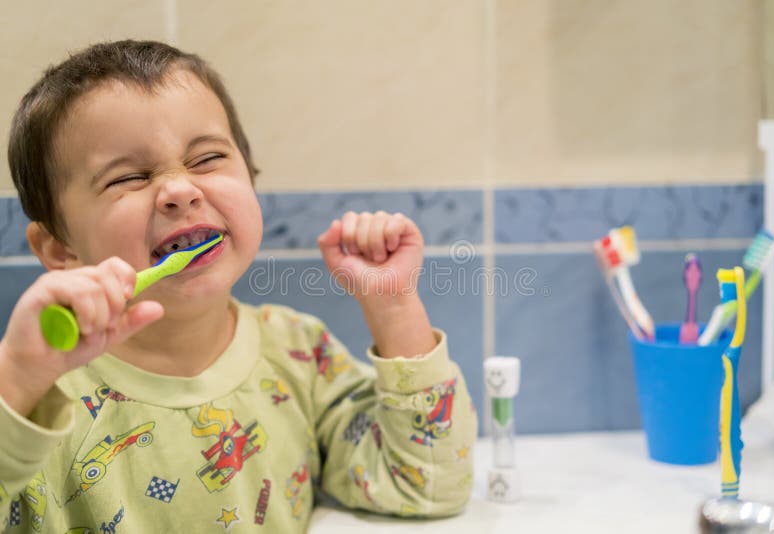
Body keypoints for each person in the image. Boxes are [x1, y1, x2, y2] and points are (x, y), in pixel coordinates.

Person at [0, 40, 477, 533]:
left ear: (250, 179)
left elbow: (421, 484)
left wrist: (394, 307)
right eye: (131, 177)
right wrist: (14, 382)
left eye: (206, 159)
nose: (180, 190)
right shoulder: (34, 396)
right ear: (60, 248)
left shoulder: (299, 355)